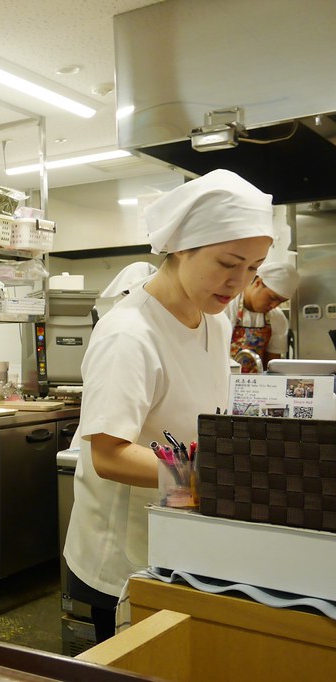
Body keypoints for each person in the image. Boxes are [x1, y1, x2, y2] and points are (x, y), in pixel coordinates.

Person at [63, 169, 275, 642]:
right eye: (228, 262)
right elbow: (109, 453)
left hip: (182, 536)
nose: (239, 282)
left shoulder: (213, 320)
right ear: (182, 246)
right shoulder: (129, 334)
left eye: (253, 269)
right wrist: (211, 477)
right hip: (123, 557)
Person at [225, 258, 299, 372]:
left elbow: (273, 364)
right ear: (258, 283)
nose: (274, 305)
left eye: (280, 302)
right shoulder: (226, 307)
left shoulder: (277, 318)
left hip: (256, 385)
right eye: (273, 298)